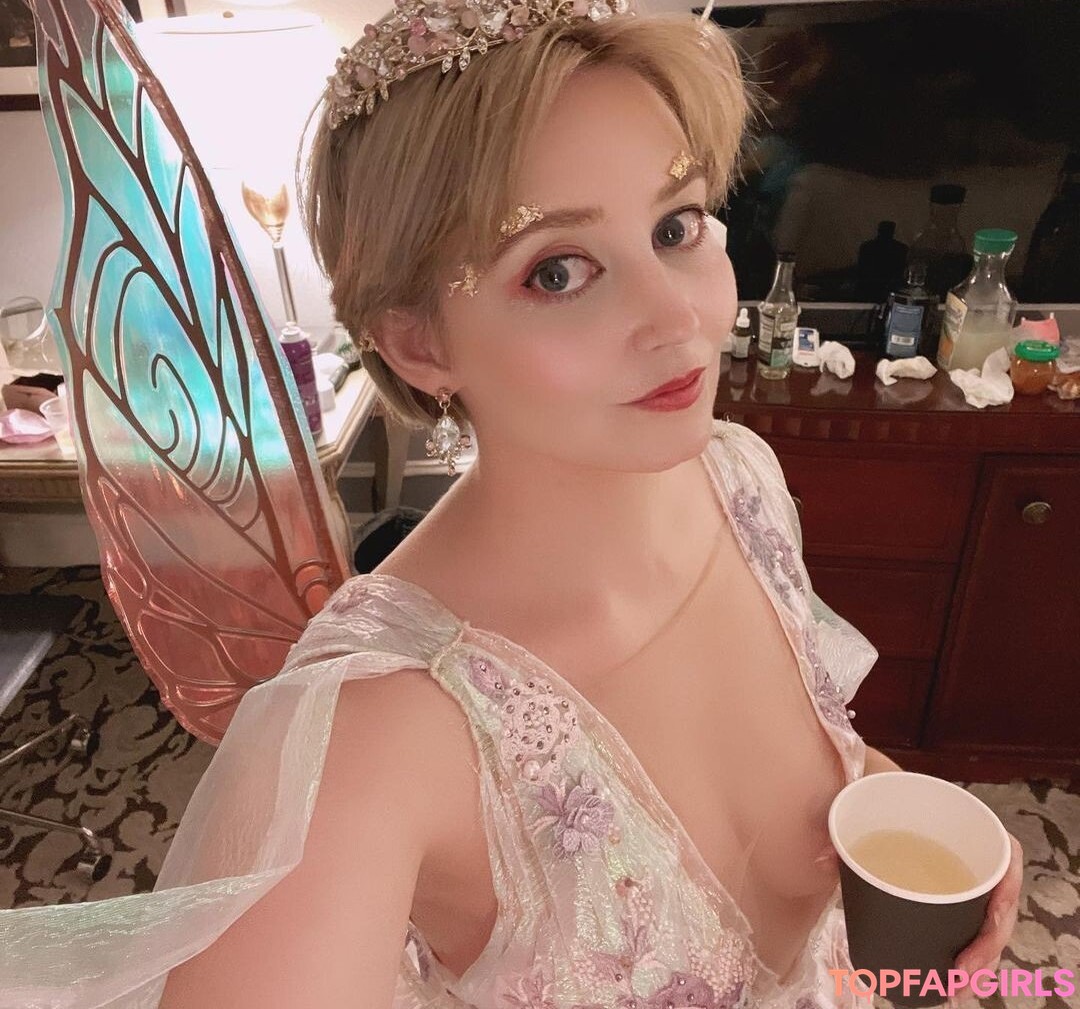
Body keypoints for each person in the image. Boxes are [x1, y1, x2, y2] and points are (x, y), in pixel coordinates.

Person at [0, 2, 1022, 1008]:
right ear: (419, 344)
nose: (678, 316)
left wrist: (895, 816)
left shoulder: (738, 477)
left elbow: (804, 769)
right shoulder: (370, 739)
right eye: (559, 271)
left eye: (676, 226)